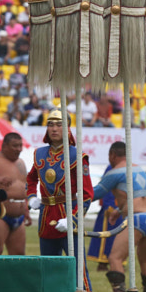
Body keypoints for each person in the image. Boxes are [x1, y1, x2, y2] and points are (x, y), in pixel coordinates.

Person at [26, 109, 93, 276]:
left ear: (68, 128)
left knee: (78, 269)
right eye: (50, 125)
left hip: (68, 215)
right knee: (48, 268)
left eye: (59, 125)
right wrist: (31, 196)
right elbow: (30, 179)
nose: (54, 129)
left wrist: (73, 219)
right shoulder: (39, 153)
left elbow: (86, 195)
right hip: (46, 217)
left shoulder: (77, 156)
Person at [91, 142, 146, 292]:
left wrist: (72, 197)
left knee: (115, 257)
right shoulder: (139, 169)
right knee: (144, 260)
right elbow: (137, 195)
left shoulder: (115, 172)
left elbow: (95, 194)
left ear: (112, 155)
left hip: (136, 218)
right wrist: (118, 210)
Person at [0, 133, 30, 255]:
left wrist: (26, 210)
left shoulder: (21, 162)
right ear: (4, 146)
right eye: (15, 146)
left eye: (20, 146)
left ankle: (14, 275)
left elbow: (24, 188)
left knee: (18, 255)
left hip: (19, 216)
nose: (18, 149)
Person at [86, 171, 122, 273]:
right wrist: (109, 205)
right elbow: (105, 188)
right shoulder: (113, 168)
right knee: (106, 237)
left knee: (119, 237)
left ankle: (119, 262)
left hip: (120, 208)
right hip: (111, 208)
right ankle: (103, 262)